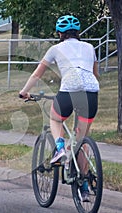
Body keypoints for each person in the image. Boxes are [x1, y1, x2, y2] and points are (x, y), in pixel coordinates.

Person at [19, 15, 100, 202]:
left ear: (59, 33)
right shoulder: (89, 47)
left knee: (55, 118)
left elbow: (37, 73)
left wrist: (24, 92)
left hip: (69, 90)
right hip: (91, 91)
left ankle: (60, 148)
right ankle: (85, 186)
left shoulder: (55, 49)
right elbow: (96, 73)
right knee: (81, 141)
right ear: (78, 33)